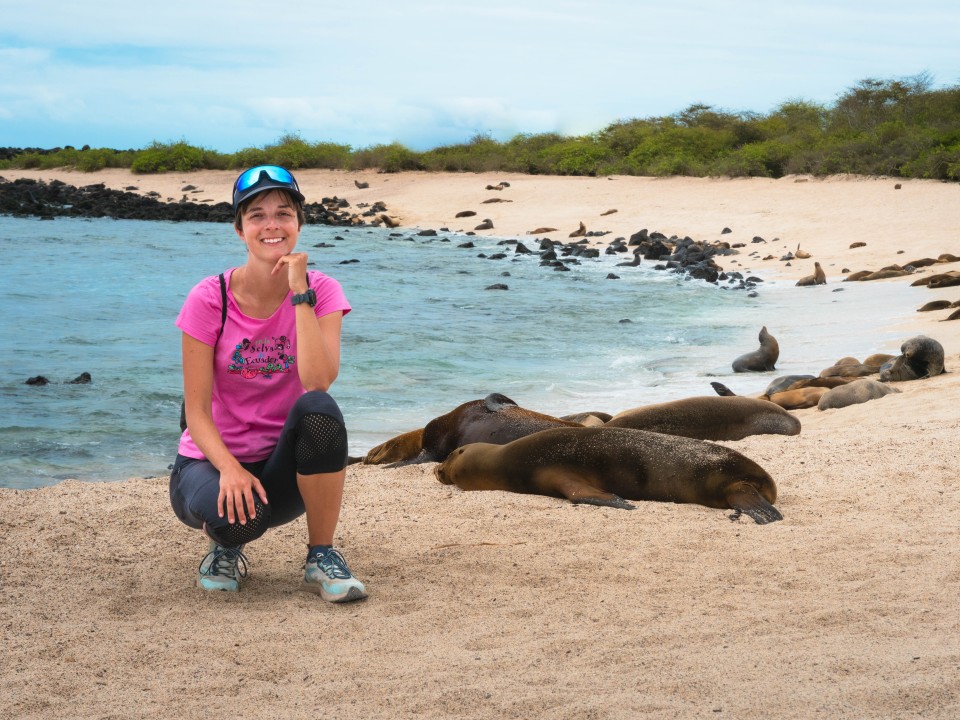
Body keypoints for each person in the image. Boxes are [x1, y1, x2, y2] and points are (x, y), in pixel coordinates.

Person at [169, 165, 366, 603]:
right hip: (210, 465)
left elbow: (318, 381)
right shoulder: (209, 297)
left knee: (320, 409)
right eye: (257, 215)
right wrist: (230, 469)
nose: (272, 225)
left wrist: (300, 292)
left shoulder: (324, 290)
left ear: (298, 223)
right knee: (240, 521)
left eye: (284, 213)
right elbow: (196, 411)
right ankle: (225, 547)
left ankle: (321, 555)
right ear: (240, 229)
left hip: (283, 472)